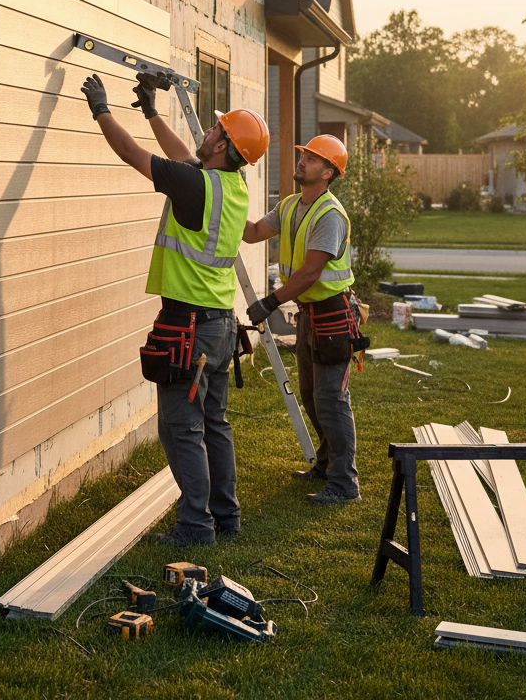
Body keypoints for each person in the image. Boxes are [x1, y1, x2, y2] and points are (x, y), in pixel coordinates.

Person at [81, 71, 269, 545]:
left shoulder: (196, 185)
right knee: (214, 425)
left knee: (182, 428)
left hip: (189, 326)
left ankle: (195, 526)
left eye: (215, 129)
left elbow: (132, 155)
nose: (206, 131)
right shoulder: (231, 185)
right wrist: (150, 112)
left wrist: (101, 109)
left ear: (224, 147)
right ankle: (225, 517)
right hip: (221, 327)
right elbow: (183, 157)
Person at [243, 135, 363, 505]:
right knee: (312, 397)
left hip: (334, 316)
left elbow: (311, 273)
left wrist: (269, 302)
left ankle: (345, 483)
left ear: (329, 172)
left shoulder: (330, 215)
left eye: (312, 159)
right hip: (310, 315)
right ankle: (326, 465)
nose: (302, 162)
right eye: (303, 156)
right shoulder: (291, 205)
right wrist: (221, 200)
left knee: (331, 399)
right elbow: (251, 234)